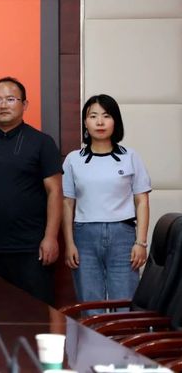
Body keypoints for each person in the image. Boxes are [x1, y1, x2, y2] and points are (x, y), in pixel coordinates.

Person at [0, 76, 62, 304]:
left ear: (24, 104)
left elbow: (55, 192)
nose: (3, 105)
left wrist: (50, 237)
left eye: (10, 99)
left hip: (32, 248)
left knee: (35, 313)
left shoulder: (42, 142)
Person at [62, 94, 150, 307]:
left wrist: (140, 242)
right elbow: (67, 203)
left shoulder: (130, 157)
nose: (100, 122)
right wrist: (69, 243)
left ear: (115, 121)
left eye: (106, 116)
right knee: (90, 306)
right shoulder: (73, 159)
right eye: (93, 116)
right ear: (85, 122)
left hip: (123, 237)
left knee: (124, 305)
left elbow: (142, 201)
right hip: (84, 237)